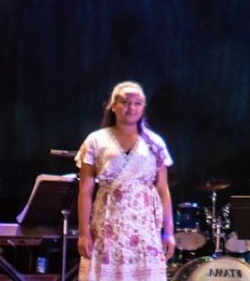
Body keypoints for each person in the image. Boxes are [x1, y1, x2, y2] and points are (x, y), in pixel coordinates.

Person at [75, 81, 175, 280]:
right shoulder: (96, 140)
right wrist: (84, 233)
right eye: (125, 102)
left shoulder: (154, 142)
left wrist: (169, 232)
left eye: (137, 103)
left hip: (144, 226)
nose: (131, 107)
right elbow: (85, 191)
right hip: (107, 224)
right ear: (113, 105)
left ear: (143, 107)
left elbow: (163, 189)